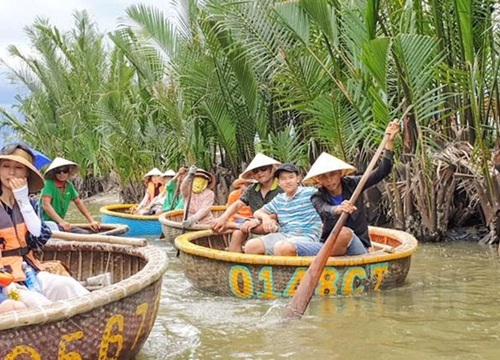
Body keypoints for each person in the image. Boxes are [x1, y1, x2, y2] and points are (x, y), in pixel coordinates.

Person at [0, 144, 89, 308]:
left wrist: (23, 200)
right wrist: (7, 284)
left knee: (67, 285)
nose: (11, 172)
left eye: (18, 167)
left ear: (27, 173)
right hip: (4, 278)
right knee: (38, 303)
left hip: (29, 270)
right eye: (6, 166)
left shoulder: (30, 204)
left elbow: (37, 234)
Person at [303, 119, 400, 255]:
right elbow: (324, 209)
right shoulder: (317, 196)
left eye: (333, 174)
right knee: (285, 247)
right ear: (318, 179)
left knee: (344, 233)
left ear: (340, 173)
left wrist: (389, 142)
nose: (329, 180)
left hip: (358, 245)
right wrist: (338, 209)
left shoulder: (354, 184)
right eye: (324, 176)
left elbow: (382, 171)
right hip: (331, 246)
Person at [244, 163, 322, 256]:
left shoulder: (311, 193)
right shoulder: (279, 199)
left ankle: (285, 270)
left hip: (307, 236)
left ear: (298, 178)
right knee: (251, 246)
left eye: (291, 177)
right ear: (279, 182)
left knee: (280, 247)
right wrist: (265, 217)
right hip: (285, 235)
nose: (287, 181)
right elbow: (257, 212)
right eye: (283, 179)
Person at [211, 153, 283, 252]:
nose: (260, 173)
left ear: (272, 169)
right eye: (256, 170)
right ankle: (233, 263)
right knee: (237, 234)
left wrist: (256, 221)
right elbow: (237, 205)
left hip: (277, 226)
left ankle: (231, 225)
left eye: (263, 169)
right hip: (254, 224)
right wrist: (223, 217)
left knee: (268, 224)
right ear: (253, 174)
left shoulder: (281, 188)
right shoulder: (251, 189)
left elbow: (278, 214)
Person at [40, 157, 100, 233]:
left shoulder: (69, 186)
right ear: (54, 173)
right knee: (82, 234)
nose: (62, 174)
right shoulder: (48, 184)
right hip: (45, 223)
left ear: (68, 172)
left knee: (87, 233)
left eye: (65, 171)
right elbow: (46, 205)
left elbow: (78, 202)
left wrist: (91, 221)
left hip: (58, 224)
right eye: (59, 171)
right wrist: (61, 222)